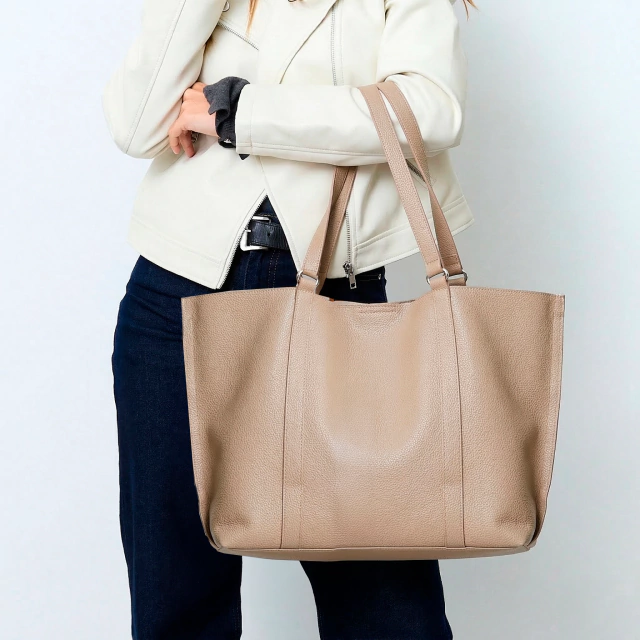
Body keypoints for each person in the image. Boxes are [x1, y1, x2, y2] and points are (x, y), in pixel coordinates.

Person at [104, 0, 476, 638]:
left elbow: (427, 110)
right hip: (176, 293)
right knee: (174, 597)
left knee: (385, 604)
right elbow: (136, 126)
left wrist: (238, 111)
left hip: (337, 294)